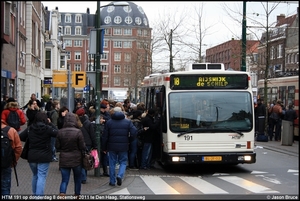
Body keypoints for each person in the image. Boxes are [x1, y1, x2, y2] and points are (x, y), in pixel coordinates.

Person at [18, 112, 58, 196]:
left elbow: (20, 137)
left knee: (35, 175)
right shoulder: (48, 128)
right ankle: (38, 197)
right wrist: (50, 123)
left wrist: (31, 139)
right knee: (41, 176)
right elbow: (57, 133)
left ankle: (35, 194)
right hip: (44, 156)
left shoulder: (30, 128)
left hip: (32, 156)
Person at [102, 107, 137, 186]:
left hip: (111, 146)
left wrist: (104, 147)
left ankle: (112, 181)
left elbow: (105, 136)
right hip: (123, 145)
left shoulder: (109, 122)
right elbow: (134, 132)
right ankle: (120, 175)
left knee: (112, 163)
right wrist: (129, 140)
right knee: (123, 162)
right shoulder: (128, 122)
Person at [55, 112, 86, 196]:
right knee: (77, 179)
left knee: (64, 179)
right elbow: (82, 146)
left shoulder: (60, 132)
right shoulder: (78, 132)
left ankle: (62, 193)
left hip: (64, 158)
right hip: (76, 159)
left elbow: (57, 146)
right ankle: (77, 195)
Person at [75, 108, 97, 184]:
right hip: (87, 143)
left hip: (78, 143)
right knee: (86, 159)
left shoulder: (76, 122)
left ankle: (81, 176)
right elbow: (92, 135)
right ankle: (84, 177)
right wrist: (95, 145)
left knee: (80, 160)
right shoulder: (88, 123)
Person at [1, 119, 22, 195]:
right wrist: (13, 161)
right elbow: (18, 147)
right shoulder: (11, 130)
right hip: (6, 163)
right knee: (5, 188)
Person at [99, 103, 111, 177]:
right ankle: (102, 171)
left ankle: (105, 171)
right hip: (101, 143)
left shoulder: (106, 115)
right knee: (101, 157)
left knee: (104, 157)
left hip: (103, 143)